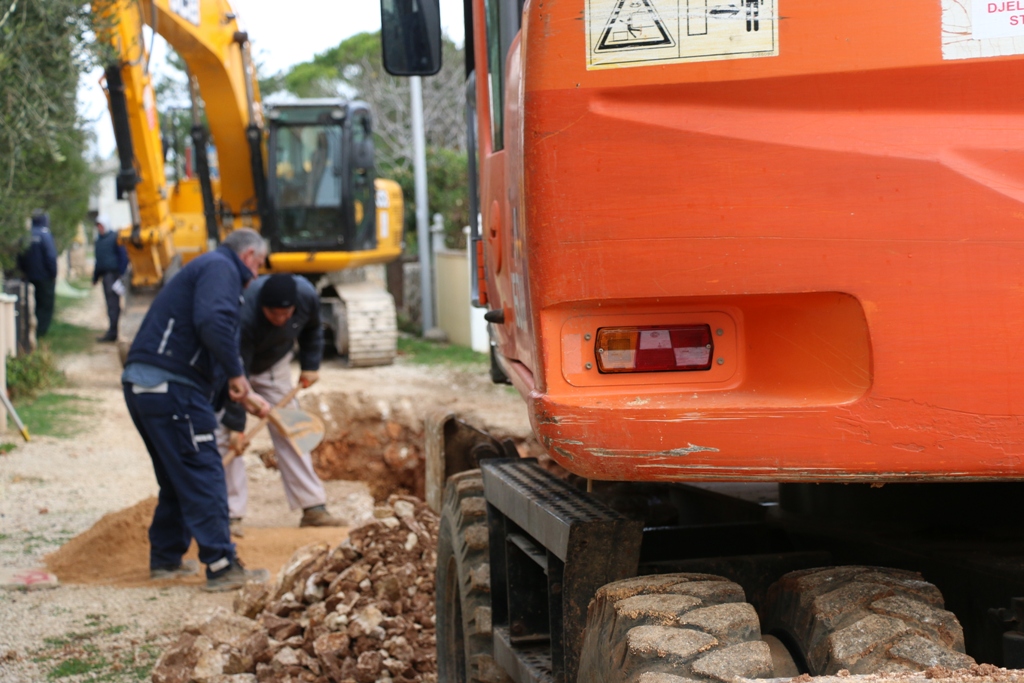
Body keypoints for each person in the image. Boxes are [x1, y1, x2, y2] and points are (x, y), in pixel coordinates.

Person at [122, 228, 273, 592]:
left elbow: (204, 336)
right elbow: (213, 322)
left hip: (147, 386)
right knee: (204, 470)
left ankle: (166, 559)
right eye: (259, 266)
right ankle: (222, 566)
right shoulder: (221, 267)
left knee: (178, 475)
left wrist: (236, 392)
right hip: (173, 387)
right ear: (249, 254)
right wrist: (238, 375)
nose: (257, 276)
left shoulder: (206, 268)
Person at [218, 273, 343, 536]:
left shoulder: (307, 296)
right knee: (228, 439)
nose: (281, 319)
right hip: (237, 369)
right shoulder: (246, 314)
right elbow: (234, 380)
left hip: (274, 365)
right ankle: (230, 515)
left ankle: (313, 507)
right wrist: (236, 427)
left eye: (286, 314)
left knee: (291, 428)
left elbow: (312, 329)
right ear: (263, 308)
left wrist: (310, 365)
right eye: (274, 314)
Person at [17, 210, 58, 338]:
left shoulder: (26, 235)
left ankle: (29, 332)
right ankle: (40, 333)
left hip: (28, 277)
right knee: (44, 305)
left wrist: (23, 271)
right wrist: (53, 274)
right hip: (44, 278)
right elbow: (51, 257)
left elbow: (20, 255)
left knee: (30, 305)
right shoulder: (45, 235)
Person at [92, 215, 128, 342]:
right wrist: (95, 277)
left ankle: (113, 332)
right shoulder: (99, 240)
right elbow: (98, 260)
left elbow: (123, 257)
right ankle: (112, 330)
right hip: (105, 276)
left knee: (113, 304)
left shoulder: (115, 238)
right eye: (98, 226)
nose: (99, 228)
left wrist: (121, 274)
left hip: (113, 276)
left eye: (101, 225)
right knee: (110, 304)